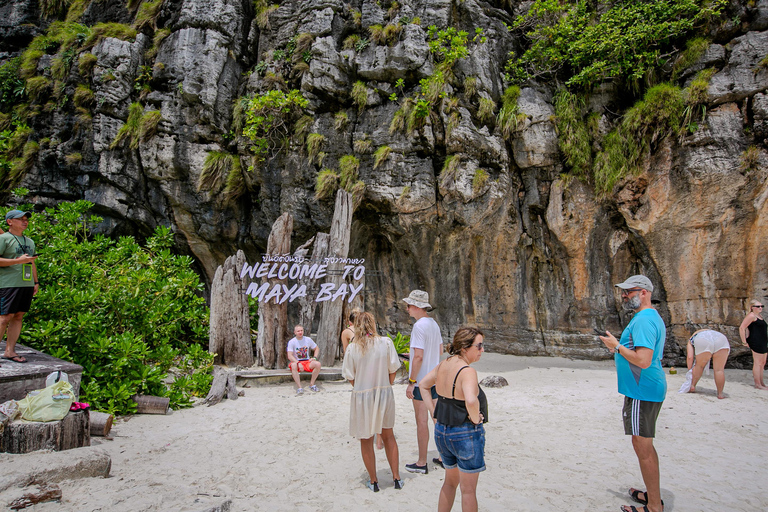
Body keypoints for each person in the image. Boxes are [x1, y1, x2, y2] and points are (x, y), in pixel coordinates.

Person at [598, 275, 667, 512]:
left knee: (643, 447)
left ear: (645, 292)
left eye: (630, 291)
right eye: (624, 292)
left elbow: (643, 360)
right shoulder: (648, 317)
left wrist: (616, 346)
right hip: (645, 389)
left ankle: (654, 506)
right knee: (644, 445)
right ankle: (653, 495)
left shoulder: (644, 320)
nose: (625, 295)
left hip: (642, 391)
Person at [419, 326, 487, 512]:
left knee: (449, 483)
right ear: (465, 348)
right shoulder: (467, 371)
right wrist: (475, 419)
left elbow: (423, 385)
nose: (482, 350)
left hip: (442, 432)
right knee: (468, 490)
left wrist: (434, 413)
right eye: (479, 346)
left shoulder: (444, 365)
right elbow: (471, 400)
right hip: (464, 433)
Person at [341, 311, 404, 492]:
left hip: (362, 395)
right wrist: (387, 383)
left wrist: (360, 386)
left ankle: (374, 481)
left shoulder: (353, 347)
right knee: (388, 436)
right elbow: (393, 369)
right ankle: (397, 478)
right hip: (384, 393)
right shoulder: (385, 343)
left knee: (365, 439)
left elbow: (349, 375)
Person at [403, 289, 443, 474]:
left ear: (418, 307)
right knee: (437, 419)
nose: (407, 309)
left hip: (421, 382)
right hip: (435, 379)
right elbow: (440, 350)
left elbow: (418, 357)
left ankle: (421, 462)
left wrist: (411, 381)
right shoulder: (434, 324)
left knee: (421, 421)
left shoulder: (419, 327)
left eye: (409, 305)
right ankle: (444, 456)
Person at [0, 210, 39, 364]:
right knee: (4, 317)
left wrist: (35, 282)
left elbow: (32, 262)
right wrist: (17, 261)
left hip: (26, 283)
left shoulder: (29, 241)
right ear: (10, 221)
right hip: (8, 283)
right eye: (20, 219)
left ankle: (10, 351)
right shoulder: (4, 239)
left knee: (19, 315)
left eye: (26, 219)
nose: (25, 222)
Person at [685, 329, 730, 399]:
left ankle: (692, 386)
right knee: (719, 370)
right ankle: (720, 394)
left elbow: (690, 357)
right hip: (721, 339)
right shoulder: (712, 332)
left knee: (699, 366)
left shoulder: (692, 338)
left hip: (703, 340)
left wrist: (690, 371)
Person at [738, 299, 767, 390]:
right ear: (752, 307)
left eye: (761, 306)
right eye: (758, 306)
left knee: (762, 363)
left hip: (763, 341)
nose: (760, 308)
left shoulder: (759, 316)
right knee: (757, 363)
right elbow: (742, 327)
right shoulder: (751, 316)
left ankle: (762, 383)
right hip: (756, 341)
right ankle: (757, 384)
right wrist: (744, 341)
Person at [286, 325, 321, 395]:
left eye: (301, 330)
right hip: (296, 361)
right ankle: (299, 387)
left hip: (307, 360)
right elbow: (289, 355)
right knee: (293, 366)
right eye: (298, 331)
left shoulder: (308, 339)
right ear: (295, 332)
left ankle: (312, 384)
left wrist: (314, 357)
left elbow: (316, 348)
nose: (300, 332)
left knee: (318, 364)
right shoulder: (292, 342)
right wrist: (298, 362)